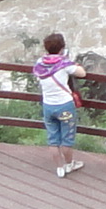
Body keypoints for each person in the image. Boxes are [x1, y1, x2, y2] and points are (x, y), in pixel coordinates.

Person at [31, 31, 84, 179]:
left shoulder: (40, 63)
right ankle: (69, 164)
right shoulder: (64, 63)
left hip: (48, 106)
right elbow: (82, 73)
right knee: (66, 138)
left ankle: (59, 167)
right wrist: (72, 63)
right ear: (62, 48)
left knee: (53, 140)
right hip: (64, 106)